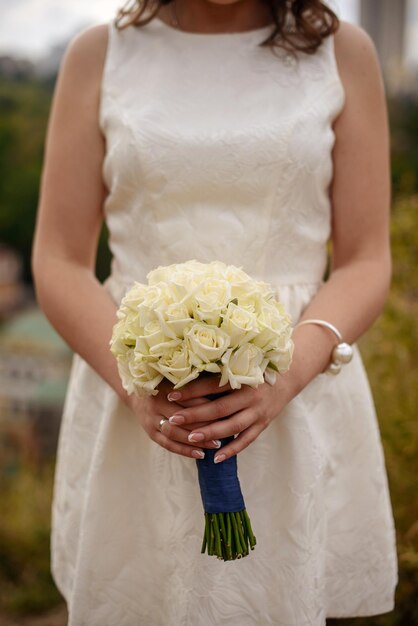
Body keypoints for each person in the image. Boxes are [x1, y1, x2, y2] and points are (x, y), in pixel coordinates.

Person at [32, 0, 398, 624]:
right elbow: (60, 259)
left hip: (295, 384)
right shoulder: (100, 55)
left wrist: (285, 376)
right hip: (141, 395)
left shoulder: (344, 53)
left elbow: (366, 258)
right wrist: (135, 383)